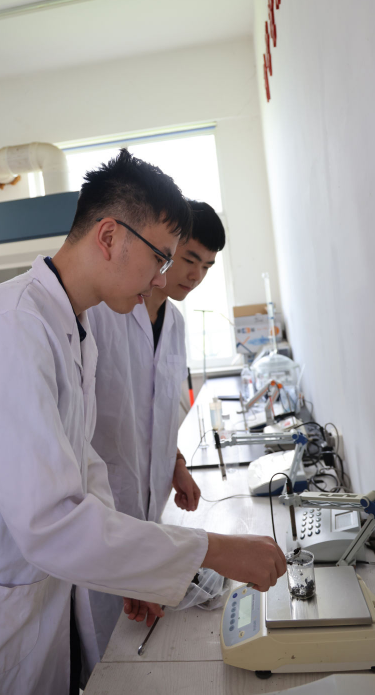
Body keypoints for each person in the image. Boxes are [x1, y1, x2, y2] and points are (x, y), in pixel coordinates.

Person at [0, 150, 286, 695]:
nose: (164, 277)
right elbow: (54, 522)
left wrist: (135, 570)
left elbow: (86, 469)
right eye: (161, 258)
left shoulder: (72, 331)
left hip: (39, 608)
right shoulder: (8, 329)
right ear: (110, 236)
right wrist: (215, 550)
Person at [87, 200, 226, 654]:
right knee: (104, 646)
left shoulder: (177, 324)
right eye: (189, 259)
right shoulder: (102, 315)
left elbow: (158, 413)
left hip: (150, 507)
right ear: (165, 249)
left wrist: (176, 463)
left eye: (207, 267)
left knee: (146, 643)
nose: (196, 275)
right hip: (102, 512)